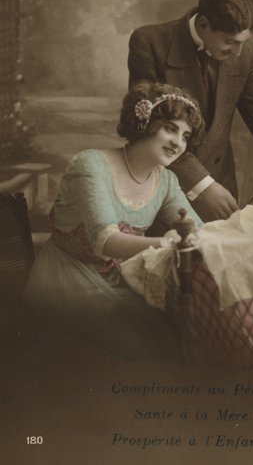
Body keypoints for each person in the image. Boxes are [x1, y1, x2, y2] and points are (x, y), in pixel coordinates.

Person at [24, 81, 204, 363]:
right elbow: (107, 241)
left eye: (185, 135)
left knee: (179, 335)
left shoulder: (166, 181)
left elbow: (199, 230)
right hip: (64, 279)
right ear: (145, 122)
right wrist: (168, 242)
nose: (178, 143)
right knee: (138, 347)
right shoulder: (92, 165)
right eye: (170, 128)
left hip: (120, 279)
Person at [128, 0, 253, 222]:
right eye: (230, 42)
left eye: (243, 42)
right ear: (204, 23)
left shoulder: (245, 54)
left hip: (222, 187)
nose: (238, 52)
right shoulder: (149, 42)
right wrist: (202, 185)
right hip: (163, 187)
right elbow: (148, 127)